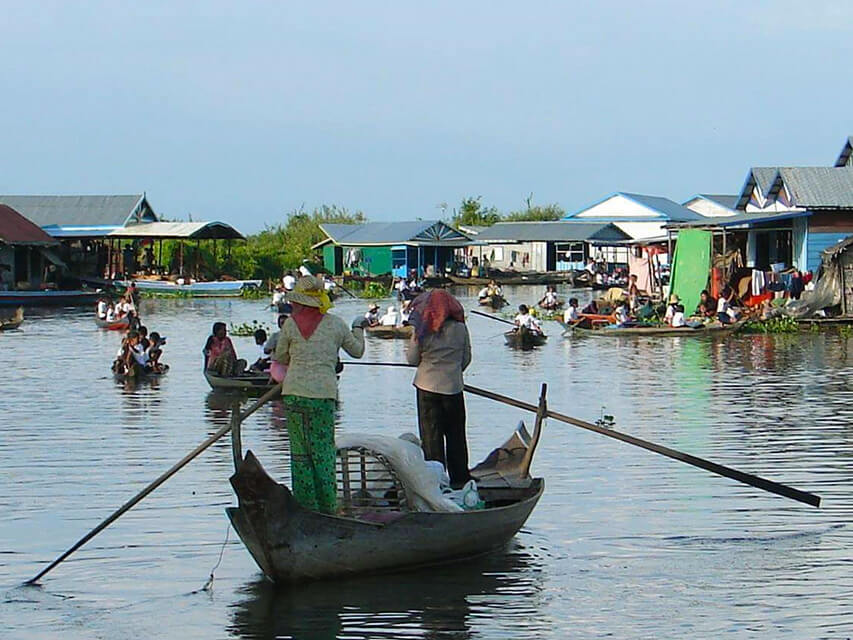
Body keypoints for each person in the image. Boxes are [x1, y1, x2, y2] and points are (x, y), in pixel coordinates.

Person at [274, 275, 366, 513]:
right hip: (323, 396)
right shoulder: (335, 324)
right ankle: (327, 509)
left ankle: (307, 508)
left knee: (301, 455)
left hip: (294, 395)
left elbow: (281, 358)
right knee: (324, 453)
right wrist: (358, 327)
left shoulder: (290, 325)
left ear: (300, 302)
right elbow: (357, 351)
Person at [405, 290, 472, 488]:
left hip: (426, 388)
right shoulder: (460, 329)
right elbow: (466, 359)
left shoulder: (422, 330)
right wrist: (452, 371)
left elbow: (412, 360)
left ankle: (437, 482)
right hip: (453, 388)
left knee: (431, 436)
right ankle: (460, 478)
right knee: (456, 435)